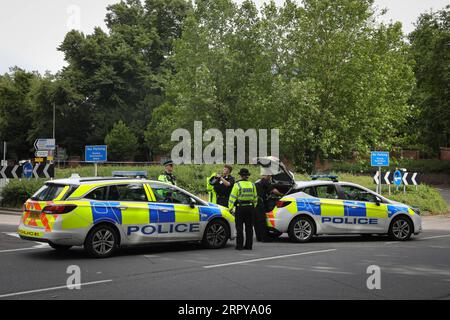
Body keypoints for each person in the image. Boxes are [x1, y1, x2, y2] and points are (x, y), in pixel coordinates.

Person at [228, 168, 257, 250]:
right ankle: (249, 246)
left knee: (239, 228)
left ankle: (239, 246)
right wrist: (253, 206)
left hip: (240, 208)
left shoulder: (237, 185)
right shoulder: (252, 185)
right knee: (249, 228)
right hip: (250, 207)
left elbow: (232, 197)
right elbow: (255, 197)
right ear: (247, 176)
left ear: (240, 175)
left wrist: (230, 208)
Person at [254, 175, 283, 242]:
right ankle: (264, 238)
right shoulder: (265, 181)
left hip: (254, 201)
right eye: (270, 176)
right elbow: (274, 191)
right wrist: (282, 194)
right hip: (259, 201)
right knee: (261, 220)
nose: (270, 178)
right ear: (268, 176)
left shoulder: (258, 182)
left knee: (256, 220)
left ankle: (259, 237)